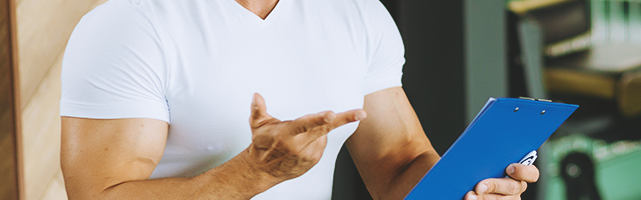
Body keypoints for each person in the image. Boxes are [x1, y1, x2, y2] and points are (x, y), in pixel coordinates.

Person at [59, 0, 539, 199]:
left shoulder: (357, 13)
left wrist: (465, 188)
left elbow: (398, 161)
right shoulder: (129, 24)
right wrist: (252, 172)